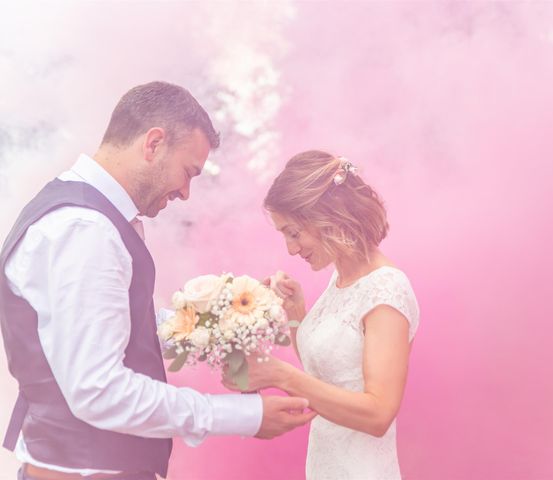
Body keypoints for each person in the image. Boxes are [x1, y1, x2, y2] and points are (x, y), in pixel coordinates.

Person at [0, 81, 314, 480]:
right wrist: (242, 416)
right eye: (188, 172)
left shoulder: (83, 215)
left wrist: (230, 310)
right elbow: (99, 392)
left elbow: (120, 331)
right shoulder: (86, 230)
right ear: (153, 144)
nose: (185, 192)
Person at [223, 150, 420, 479]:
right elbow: (326, 374)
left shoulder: (386, 289)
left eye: (294, 232)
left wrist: (280, 375)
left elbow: (378, 414)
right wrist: (296, 311)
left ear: (329, 216)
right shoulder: (341, 278)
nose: (290, 249)